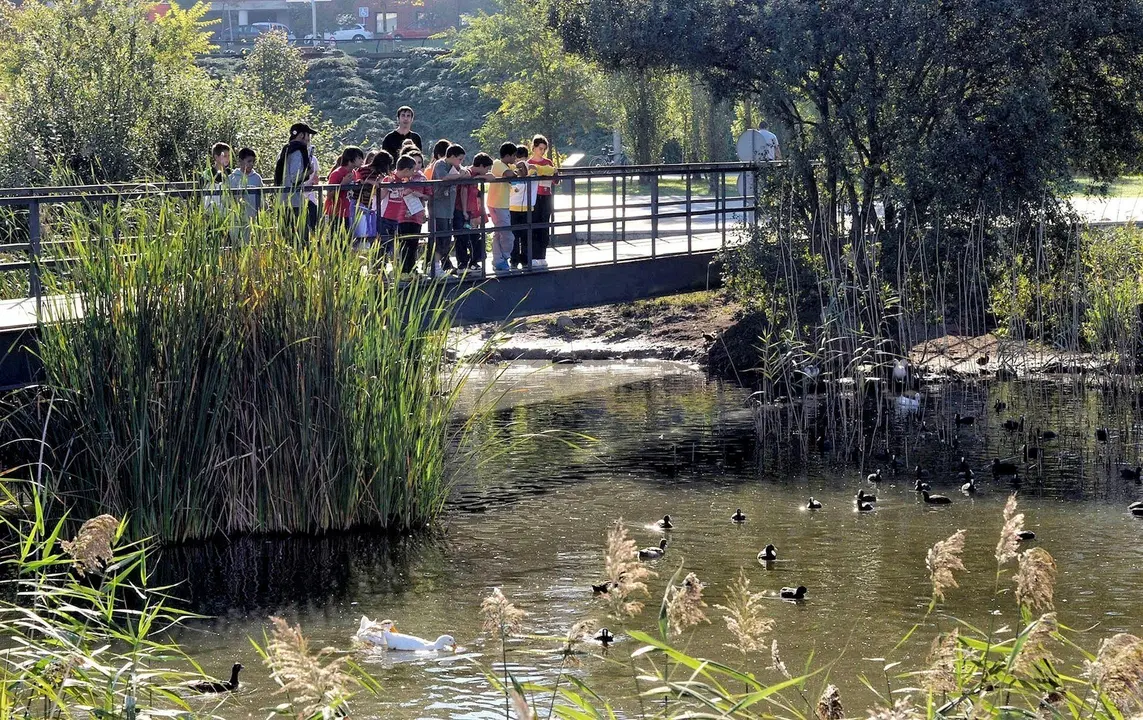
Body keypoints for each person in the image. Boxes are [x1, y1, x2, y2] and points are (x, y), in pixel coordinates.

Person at [378, 155, 429, 277]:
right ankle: (378, 271)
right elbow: (380, 196)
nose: (414, 172)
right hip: (385, 217)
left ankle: (401, 271)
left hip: (395, 219)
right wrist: (387, 186)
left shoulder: (402, 182)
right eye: (412, 170)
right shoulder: (390, 179)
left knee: (392, 246)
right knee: (383, 246)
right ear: (406, 170)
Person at [427, 144, 467, 277]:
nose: (461, 163)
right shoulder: (441, 164)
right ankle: (433, 265)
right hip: (438, 207)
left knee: (446, 238)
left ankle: (438, 265)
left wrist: (461, 172)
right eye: (460, 159)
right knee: (439, 237)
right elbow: (444, 177)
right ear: (453, 157)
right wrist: (459, 174)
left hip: (448, 209)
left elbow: (466, 173)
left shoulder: (456, 167)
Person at [274, 121, 319, 240]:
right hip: (295, 201)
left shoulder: (284, 151)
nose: (309, 139)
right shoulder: (298, 151)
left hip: (282, 201)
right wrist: (308, 172)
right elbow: (295, 177)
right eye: (307, 135)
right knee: (302, 238)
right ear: (300, 135)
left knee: (285, 239)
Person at [455, 152, 493, 275]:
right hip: (462, 210)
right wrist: (465, 211)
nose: (487, 170)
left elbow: (492, 177)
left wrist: (478, 178)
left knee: (474, 236)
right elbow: (463, 192)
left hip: (470, 211)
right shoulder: (468, 173)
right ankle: (462, 264)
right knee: (463, 237)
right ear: (481, 165)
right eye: (487, 168)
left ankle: (472, 262)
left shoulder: (474, 175)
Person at [526, 135, 558, 270]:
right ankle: (533, 255)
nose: (542, 151)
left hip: (546, 196)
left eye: (544, 149)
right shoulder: (528, 163)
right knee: (534, 224)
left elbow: (555, 180)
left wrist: (554, 173)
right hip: (534, 196)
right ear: (533, 148)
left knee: (545, 225)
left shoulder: (548, 162)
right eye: (540, 148)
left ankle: (542, 255)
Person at [325, 146, 365, 239]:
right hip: (334, 213)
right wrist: (342, 184)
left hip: (347, 213)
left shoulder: (354, 173)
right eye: (359, 158)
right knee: (334, 242)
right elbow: (329, 195)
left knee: (346, 242)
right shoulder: (337, 173)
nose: (362, 161)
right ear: (350, 159)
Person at [355, 150, 391, 254]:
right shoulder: (363, 170)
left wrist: (380, 182)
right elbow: (358, 181)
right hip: (360, 205)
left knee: (373, 235)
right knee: (361, 236)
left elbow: (377, 191)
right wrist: (371, 182)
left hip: (372, 207)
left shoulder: (379, 175)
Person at [227, 147, 262, 242]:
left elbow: (262, 197)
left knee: (253, 243)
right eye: (249, 161)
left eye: (253, 162)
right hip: (237, 219)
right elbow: (228, 199)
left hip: (253, 217)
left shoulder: (257, 178)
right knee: (237, 243)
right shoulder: (232, 178)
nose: (251, 164)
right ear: (240, 162)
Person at [508, 144, 533, 269]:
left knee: (526, 235)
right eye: (518, 158)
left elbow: (537, 169)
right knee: (514, 236)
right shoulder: (511, 170)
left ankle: (526, 260)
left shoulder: (531, 169)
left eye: (523, 159)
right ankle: (514, 260)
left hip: (528, 207)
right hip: (513, 207)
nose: (520, 162)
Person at [203, 142, 231, 215]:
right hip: (211, 211)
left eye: (229, 155)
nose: (228, 158)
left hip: (227, 211)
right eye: (225, 156)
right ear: (216, 157)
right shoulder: (208, 174)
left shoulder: (230, 173)